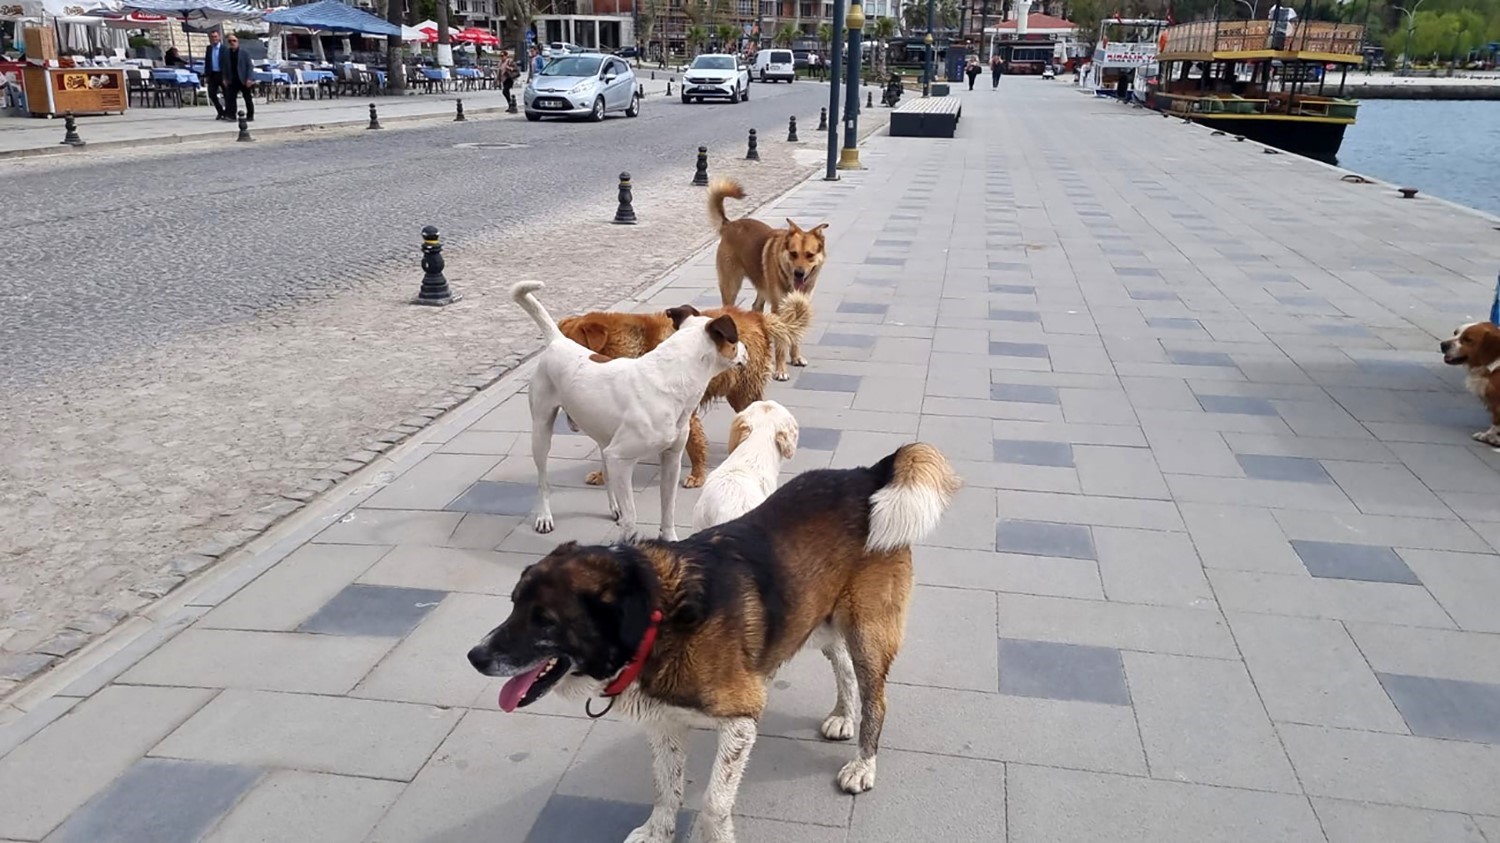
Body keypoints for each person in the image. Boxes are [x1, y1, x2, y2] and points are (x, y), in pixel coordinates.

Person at [223, 33, 255, 122]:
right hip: (232, 79)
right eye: (230, 41)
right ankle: (232, 115)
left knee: (247, 98)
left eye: (234, 41)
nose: (232, 43)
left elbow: (250, 66)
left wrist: (249, 78)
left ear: (238, 42)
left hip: (243, 79)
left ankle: (250, 115)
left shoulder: (244, 53)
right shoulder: (226, 53)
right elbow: (224, 67)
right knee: (231, 98)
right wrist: (224, 78)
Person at [204, 29, 227, 120]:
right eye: (212, 37)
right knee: (211, 94)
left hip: (222, 74)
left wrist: (226, 76)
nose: (214, 39)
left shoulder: (224, 49)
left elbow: (227, 63)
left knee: (227, 94)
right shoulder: (209, 48)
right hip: (212, 74)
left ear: (219, 37)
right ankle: (220, 111)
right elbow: (207, 62)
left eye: (215, 37)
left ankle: (227, 112)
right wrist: (206, 75)